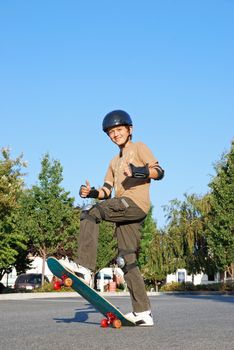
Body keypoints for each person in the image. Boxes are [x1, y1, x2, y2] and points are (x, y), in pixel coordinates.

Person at [70, 110, 164, 326]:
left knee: (89, 213)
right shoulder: (113, 162)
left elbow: (159, 171)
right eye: (111, 132)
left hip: (134, 203)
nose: (115, 135)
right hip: (124, 210)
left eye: (119, 130)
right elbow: (107, 190)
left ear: (129, 130)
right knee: (127, 260)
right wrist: (91, 193)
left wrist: (138, 171)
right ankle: (143, 313)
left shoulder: (139, 147)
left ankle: (84, 268)